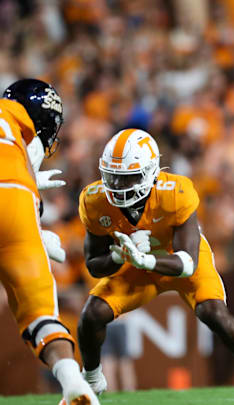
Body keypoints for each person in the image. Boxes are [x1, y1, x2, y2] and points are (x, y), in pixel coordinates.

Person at [75, 129, 234, 405]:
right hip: (135, 265)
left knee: (214, 313)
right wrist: (120, 256)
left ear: (151, 172)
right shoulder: (94, 199)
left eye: (128, 177)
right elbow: (94, 265)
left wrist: (146, 260)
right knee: (92, 315)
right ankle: (90, 382)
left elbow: (188, 263)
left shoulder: (177, 192)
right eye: (113, 176)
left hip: (177, 260)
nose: (118, 184)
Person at [0, 79, 100, 404]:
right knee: (41, 317)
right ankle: (73, 381)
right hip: (20, 202)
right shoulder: (19, 131)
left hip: (19, 194)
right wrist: (36, 232)